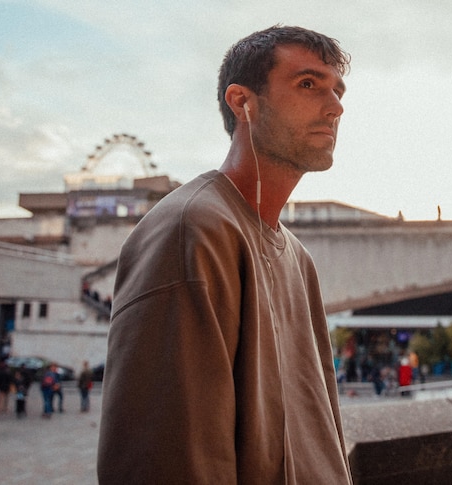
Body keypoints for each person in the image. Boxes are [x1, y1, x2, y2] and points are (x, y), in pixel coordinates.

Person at [98, 26, 352, 483]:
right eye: (308, 84)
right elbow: (163, 459)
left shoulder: (297, 257)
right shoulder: (190, 230)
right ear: (243, 102)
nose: (334, 107)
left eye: (337, 91)